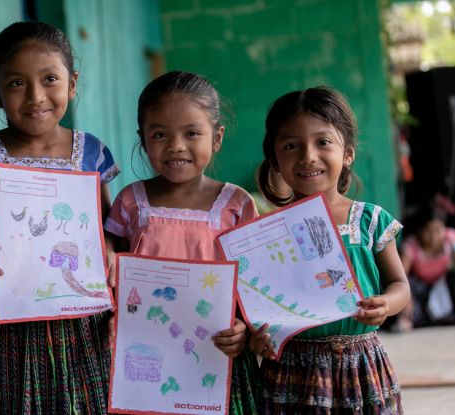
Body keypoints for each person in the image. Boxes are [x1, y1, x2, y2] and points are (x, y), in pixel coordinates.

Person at [0, 22, 120, 414]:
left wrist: (110, 250)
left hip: (81, 316)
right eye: (16, 84)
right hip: (8, 316)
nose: (36, 97)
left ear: (72, 83)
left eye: (50, 79)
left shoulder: (91, 153)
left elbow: (110, 229)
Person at [103, 70, 261, 414]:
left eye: (192, 133)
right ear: (143, 139)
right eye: (160, 134)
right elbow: (107, 254)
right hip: (145, 356)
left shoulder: (236, 205)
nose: (176, 146)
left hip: (216, 355)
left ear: (216, 137)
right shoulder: (131, 201)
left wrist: (243, 327)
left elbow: (258, 284)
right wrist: (109, 256)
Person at [251, 86, 410, 413]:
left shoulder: (370, 221)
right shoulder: (265, 233)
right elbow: (258, 302)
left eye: (323, 142)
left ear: (348, 153)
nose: (308, 155)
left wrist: (386, 304)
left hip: (360, 365)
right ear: (276, 161)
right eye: (291, 145)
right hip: (290, 369)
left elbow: (400, 285)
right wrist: (258, 336)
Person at [396, 205, 455, 331]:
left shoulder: (450, 239)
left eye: (438, 230)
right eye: (429, 231)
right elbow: (401, 276)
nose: (434, 236)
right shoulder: (411, 246)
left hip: (442, 283)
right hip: (420, 287)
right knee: (405, 287)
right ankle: (405, 320)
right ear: (420, 231)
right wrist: (407, 298)